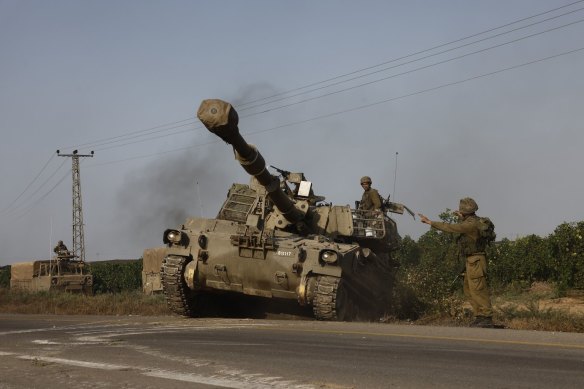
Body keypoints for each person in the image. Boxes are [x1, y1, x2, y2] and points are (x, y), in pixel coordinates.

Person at [418, 197, 494, 328]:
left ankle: (487, 316)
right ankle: (480, 315)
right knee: (469, 290)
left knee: (478, 289)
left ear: (464, 212)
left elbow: (450, 227)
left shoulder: (470, 225)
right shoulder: (473, 221)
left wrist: (430, 222)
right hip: (471, 261)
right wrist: (462, 217)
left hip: (475, 260)